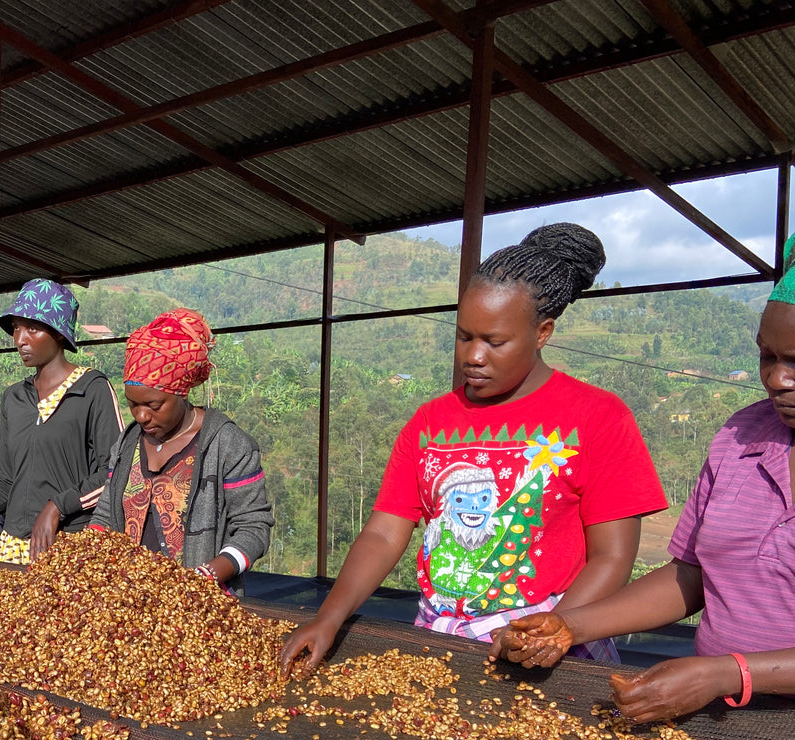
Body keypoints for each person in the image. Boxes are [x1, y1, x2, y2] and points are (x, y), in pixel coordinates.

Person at [281, 224, 667, 672]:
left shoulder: (597, 417)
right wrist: (329, 617)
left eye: (495, 342)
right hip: (444, 643)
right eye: (465, 336)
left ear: (542, 332)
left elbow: (613, 557)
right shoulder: (430, 424)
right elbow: (385, 534)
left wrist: (550, 629)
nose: (473, 356)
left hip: (555, 649)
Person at [489, 218, 795, 722]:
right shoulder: (741, 437)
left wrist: (729, 672)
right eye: (766, 356)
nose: (777, 379)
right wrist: (569, 625)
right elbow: (693, 575)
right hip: (719, 716)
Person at [0, 281, 123, 563]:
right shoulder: (15, 398)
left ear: (59, 334)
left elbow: (115, 472)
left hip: (68, 546)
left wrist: (58, 506)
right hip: (14, 547)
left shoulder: (92, 389)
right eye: (16, 328)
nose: (20, 339)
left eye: (32, 328)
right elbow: (8, 480)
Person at [88, 308, 274, 593]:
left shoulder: (228, 445)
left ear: (181, 392)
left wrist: (205, 576)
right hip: (125, 602)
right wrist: (86, 551)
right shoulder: (127, 444)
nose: (141, 416)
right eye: (132, 404)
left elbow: (254, 527)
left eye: (154, 405)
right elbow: (105, 515)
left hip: (200, 605)